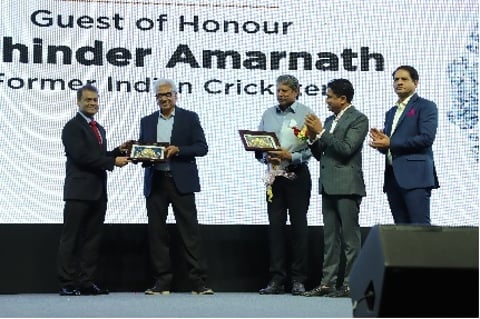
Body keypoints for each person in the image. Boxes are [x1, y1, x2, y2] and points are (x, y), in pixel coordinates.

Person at [140, 78, 213, 295]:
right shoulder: (147, 121)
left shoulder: (189, 118)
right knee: (157, 234)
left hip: (181, 181)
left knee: (190, 233)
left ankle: (199, 282)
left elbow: (202, 147)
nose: (163, 98)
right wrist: (138, 154)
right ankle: (162, 282)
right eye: (159, 95)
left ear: (175, 96)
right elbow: (144, 151)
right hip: (156, 182)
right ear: (156, 98)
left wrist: (178, 150)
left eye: (167, 94)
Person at [57, 84, 130, 296]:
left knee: (92, 239)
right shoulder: (72, 127)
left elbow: (97, 154)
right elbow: (82, 157)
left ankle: (86, 282)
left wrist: (118, 150)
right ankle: (67, 283)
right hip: (78, 192)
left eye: (95, 100)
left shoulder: (99, 128)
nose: (92, 103)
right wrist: (112, 161)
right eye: (88, 100)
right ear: (78, 102)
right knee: (71, 238)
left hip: (98, 192)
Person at [303, 78, 368, 298]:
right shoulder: (330, 120)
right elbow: (321, 153)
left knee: (350, 239)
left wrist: (321, 132)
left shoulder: (359, 119)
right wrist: (312, 139)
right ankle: (327, 283)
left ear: (343, 98)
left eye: (330, 96)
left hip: (348, 186)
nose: (326, 100)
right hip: (328, 185)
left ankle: (351, 283)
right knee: (330, 239)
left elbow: (346, 149)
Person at [255, 74, 313, 296]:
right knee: (275, 229)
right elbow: (258, 144)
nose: (280, 94)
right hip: (274, 178)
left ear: (296, 91)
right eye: (278, 90)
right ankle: (277, 279)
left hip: (297, 176)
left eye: (285, 91)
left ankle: (299, 280)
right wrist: (264, 157)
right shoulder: (268, 114)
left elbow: (312, 148)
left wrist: (291, 156)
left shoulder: (306, 114)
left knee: (299, 228)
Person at [369, 65, 439, 225]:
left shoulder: (426, 106)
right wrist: (381, 144)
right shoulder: (391, 112)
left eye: (404, 79)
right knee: (401, 232)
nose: (399, 82)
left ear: (416, 83)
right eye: (396, 79)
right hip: (393, 177)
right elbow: (391, 145)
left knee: (420, 228)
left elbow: (426, 138)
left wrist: (390, 142)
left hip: (416, 177)